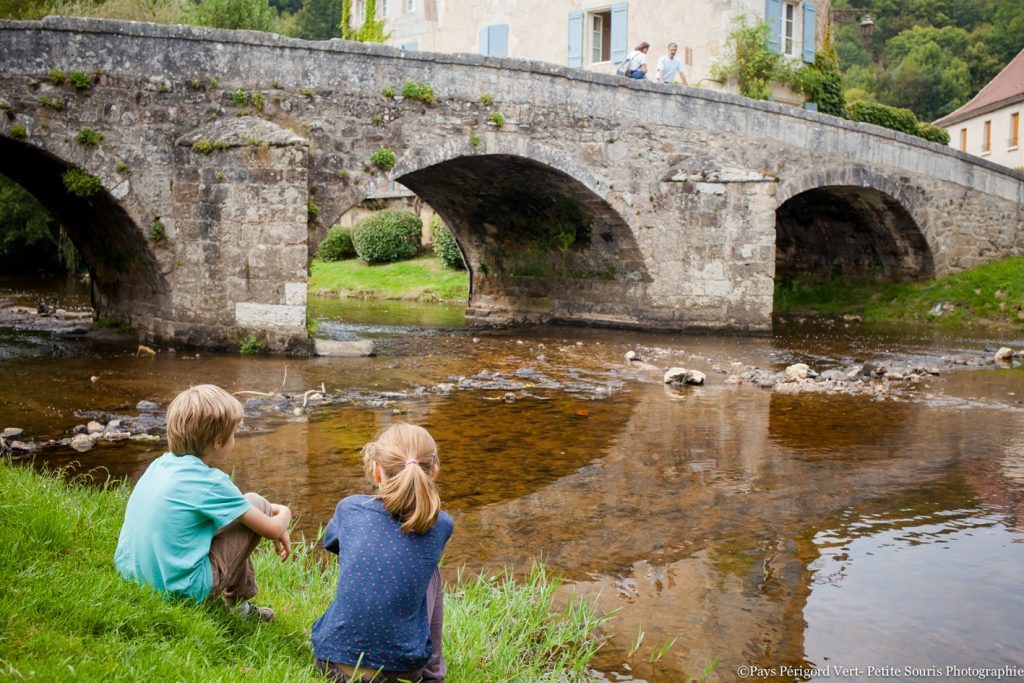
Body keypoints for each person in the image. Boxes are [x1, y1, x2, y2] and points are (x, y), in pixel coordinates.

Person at [114, 384, 292, 621]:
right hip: (182, 590)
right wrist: (282, 511)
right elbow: (273, 529)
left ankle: (240, 604)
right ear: (218, 441)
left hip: (133, 576)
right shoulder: (211, 482)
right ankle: (241, 610)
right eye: (234, 433)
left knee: (244, 511)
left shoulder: (159, 465)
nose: (235, 439)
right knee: (255, 504)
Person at [312, 423, 454, 682]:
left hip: (331, 662)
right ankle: (433, 674)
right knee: (431, 573)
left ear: (377, 472)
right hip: (400, 671)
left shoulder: (349, 508)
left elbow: (332, 543)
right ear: (433, 472)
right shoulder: (441, 524)